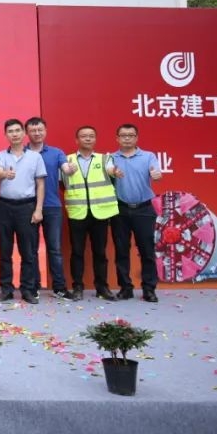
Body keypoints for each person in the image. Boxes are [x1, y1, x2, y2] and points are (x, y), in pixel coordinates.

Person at [0, 118, 46, 305]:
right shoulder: (0, 156)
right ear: (5, 135)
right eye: (10, 131)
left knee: (28, 252)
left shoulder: (35, 157)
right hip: (4, 207)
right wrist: (5, 174)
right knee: (4, 251)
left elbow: (40, 184)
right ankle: (6, 289)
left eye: (17, 130)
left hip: (27, 207)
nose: (14, 134)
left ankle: (28, 289)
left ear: (24, 133)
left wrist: (38, 209)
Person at [106, 123, 162, 303]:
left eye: (131, 135)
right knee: (121, 250)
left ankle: (149, 289)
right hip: (120, 209)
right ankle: (125, 288)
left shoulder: (148, 156)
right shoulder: (110, 158)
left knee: (147, 250)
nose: (127, 138)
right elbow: (107, 173)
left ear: (137, 138)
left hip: (144, 209)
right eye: (123, 135)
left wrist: (156, 175)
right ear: (117, 138)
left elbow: (156, 171)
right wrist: (112, 172)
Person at [63, 125, 118, 301]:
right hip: (77, 212)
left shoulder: (105, 159)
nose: (88, 138)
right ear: (76, 140)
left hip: (100, 213)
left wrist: (115, 172)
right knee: (77, 252)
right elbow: (61, 182)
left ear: (95, 139)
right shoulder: (67, 160)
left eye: (91, 136)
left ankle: (102, 287)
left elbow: (112, 172)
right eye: (84, 136)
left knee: (100, 252)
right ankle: (77, 287)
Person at [25, 117, 73, 299]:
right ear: (27, 133)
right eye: (33, 130)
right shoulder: (22, 153)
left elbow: (66, 168)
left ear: (45, 131)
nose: (37, 133)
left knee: (54, 249)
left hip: (52, 206)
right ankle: (33, 286)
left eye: (40, 130)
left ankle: (59, 287)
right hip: (28, 206)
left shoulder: (56, 152)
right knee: (31, 249)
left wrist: (70, 169)